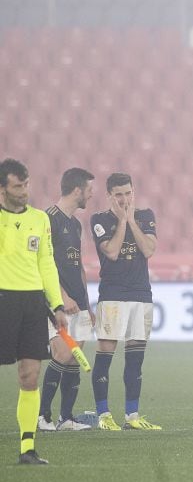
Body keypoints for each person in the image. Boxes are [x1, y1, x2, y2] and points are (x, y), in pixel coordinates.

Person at [0, 158, 68, 464]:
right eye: (17, 186)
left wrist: (57, 304)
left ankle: (28, 448)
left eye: (26, 184)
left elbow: (47, 264)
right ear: (3, 189)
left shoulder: (40, 219)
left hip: (32, 303)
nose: (24, 191)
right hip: (2, 299)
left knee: (29, 375)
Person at [90, 172, 160, 431]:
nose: (124, 198)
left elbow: (149, 249)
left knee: (135, 358)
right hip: (112, 294)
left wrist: (132, 221)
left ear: (133, 191)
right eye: (118, 194)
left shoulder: (146, 216)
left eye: (128, 193)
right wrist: (123, 221)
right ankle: (104, 414)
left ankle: (132, 415)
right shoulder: (99, 219)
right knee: (106, 354)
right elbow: (112, 251)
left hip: (141, 294)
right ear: (109, 195)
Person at [39, 168, 96, 432]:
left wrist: (87, 303)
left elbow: (79, 266)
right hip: (58, 303)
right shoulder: (47, 219)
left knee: (74, 356)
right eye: (89, 189)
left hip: (79, 304)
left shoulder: (74, 224)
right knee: (62, 353)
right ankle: (42, 416)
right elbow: (43, 263)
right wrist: (62, 297)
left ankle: (66, 418)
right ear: (77, 190)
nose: (91, 194)